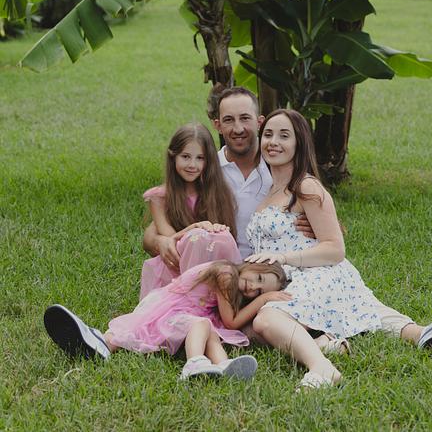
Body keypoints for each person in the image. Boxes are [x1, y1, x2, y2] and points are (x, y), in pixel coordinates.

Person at [245, 109, 432, 390]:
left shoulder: (306, 186)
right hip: (290, 280)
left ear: (299, 142)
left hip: (316, 273)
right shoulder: (268, 191)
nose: (273, 142)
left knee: (267, 321)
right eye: (268, 134)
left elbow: (335, 249)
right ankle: (415, 334)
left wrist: (284, 257)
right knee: (254, 331)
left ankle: (322, 368)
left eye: (284, 136)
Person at [141, 89, 314, 296]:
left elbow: (322, 217)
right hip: (219, 272)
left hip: (266, 275)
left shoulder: (279, 166)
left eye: (245, 118)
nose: (238, 128)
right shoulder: (205, 168)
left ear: (259, 122)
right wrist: (160, 242)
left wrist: (314, 225)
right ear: (218, 125)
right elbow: (155, 229)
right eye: (229, 120)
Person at [43, 260, 289, 381]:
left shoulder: (233, 282)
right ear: (253, 263)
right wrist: (263, 299)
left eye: (258, 291)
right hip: (170, 310)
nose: (253, 288)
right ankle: (194, 363)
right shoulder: (226, 274)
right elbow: (232, 322)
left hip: (184, 312)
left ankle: (224, 366)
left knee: (211, 332)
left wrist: (262, 298)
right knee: (196, 326)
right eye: (258, 278)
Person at [139, 123, 241, 298]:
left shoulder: (218, 193)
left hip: (209, 266)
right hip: (174, 267)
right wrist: (195, 227)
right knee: (197, 237)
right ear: (173, 156)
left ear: (209, 161)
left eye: (200, 158)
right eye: (185, 156)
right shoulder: (159, 197)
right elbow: (171, 240)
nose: (192, 165)